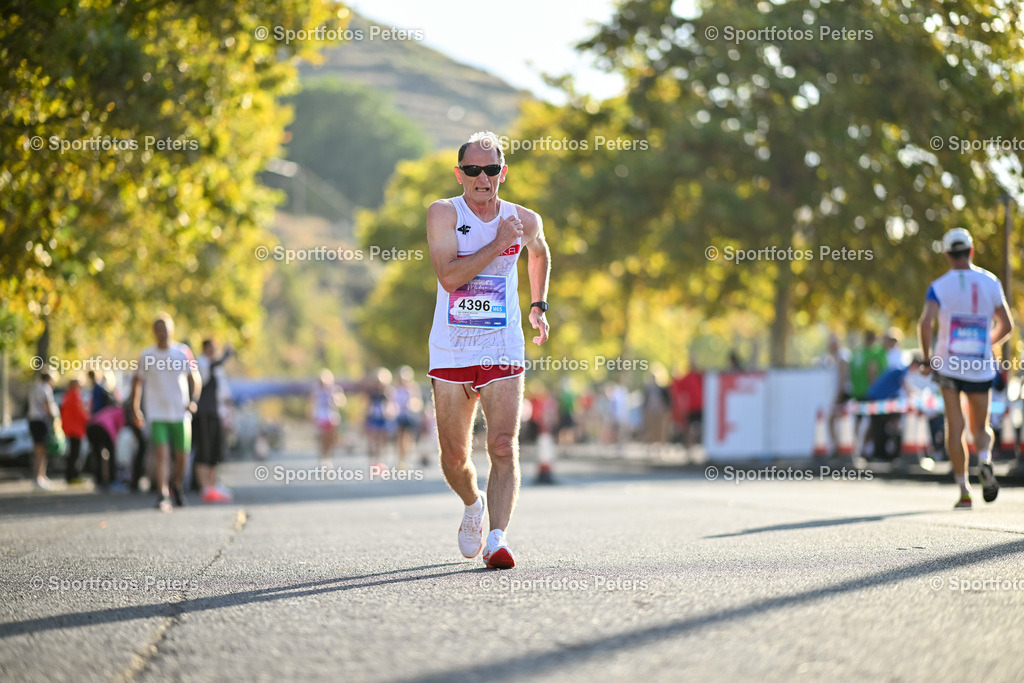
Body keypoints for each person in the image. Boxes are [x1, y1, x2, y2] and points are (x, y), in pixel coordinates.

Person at [426, 131, 550, 569]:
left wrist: (538, 305)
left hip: (502, 343)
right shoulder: (443, 213)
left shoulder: (524, 218)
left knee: (501, 444)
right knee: (455, 456)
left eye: (491, 169)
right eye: (474, 170)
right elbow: (449, 277)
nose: (483, 178)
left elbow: (539, 252)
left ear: (503, 173)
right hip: (452, 348)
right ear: (460, 174)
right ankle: (473, 504)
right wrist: (498, 244)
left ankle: (497, 539)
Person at [918, 228, 1013, 509]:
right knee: (980, 426)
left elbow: (925, 323)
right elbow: (1007, 325)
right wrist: (986, 343)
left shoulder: (938, 286)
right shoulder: (991, 281)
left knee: (955, 427)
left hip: (949, 365)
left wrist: (926, 359)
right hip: (980, 365)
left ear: (947, 255)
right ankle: (984, 460)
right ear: (971, 251)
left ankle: (964, 490)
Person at [131, 314, 202, 513]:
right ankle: (162, 494)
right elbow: (137, 382)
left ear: (172, 330)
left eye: (166, 329)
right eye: (159, 329)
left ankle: (177, 485)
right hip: (157, 412)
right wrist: (135, 407)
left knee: (182, 457)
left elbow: (195, 378)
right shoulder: (146, 355)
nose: (163, 333)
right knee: (161, 455)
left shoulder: (183, 352)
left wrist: (193, 401)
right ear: (154, 332)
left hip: (180, 412)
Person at [194, 339, 233, 503]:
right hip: (203, 413)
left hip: (215, 413)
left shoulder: (217, 369)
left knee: (215, 452)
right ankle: (204, 487)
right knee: (204, 450)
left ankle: (213, 484)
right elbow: (206, 374)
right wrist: (225, 356)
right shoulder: (200, 363)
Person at [27, 372, 58, 490]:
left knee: (37, 449)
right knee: (41, 450)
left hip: (32, 419)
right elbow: (47, 406)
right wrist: (53, 418)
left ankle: (39, 476)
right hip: (40, 421)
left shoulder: (34, 387)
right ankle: (40, 477)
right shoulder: (45, 388)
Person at [308, 369, 344, 468]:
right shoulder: (316, 390)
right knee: (322, 438)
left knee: (331, 438)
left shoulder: (336, 389)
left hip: (332, 416)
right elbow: (312, 403)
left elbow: (341, 402)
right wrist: (311, 416)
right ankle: (323, 458)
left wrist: (336, 400)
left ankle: (328, 457)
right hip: (321, 416)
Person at [86, 403, 125, 489]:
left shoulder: (109, 409)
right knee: (111, 455)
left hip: (91, 427)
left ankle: (99, 480)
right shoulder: (121, 412)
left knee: (97, 455)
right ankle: (112, 480)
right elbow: (117, 429)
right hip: (103, 428)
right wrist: (114, 444)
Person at [392, 366, 423, 470]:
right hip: (399, 416)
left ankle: (406, 459)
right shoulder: (395, 388)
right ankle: (400, 460)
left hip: (409, 415)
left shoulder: (413, 388)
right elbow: (393, 401)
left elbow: (418, 402)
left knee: (408, 439)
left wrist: (412, 404)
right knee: (400, 438)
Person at [670, 354, 704, 450]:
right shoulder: (688, 377)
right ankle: (689, 448)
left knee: (701, 428)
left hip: (701, 406)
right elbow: (677, 386)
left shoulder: (700, 376)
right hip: (691, 407)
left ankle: (699, 446)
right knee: (688, 429)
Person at [59, 377, 90, 483]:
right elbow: (79, 411)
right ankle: (73, 475)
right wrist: (88, 419)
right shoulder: (75, 395)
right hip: (75, 428)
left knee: (72, 452)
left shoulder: (67, 395)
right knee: (75, 453)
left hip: (70, 428)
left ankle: (71, 475)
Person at [364, 367, 395, 469]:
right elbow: (367, 405)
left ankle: (382, 460)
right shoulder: (371, 392)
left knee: (383, 439)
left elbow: (390, 404)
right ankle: (374, 461)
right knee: (374, 439)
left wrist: (389, 412)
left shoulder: (387, 391)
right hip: (374, 417)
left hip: (383, 417)